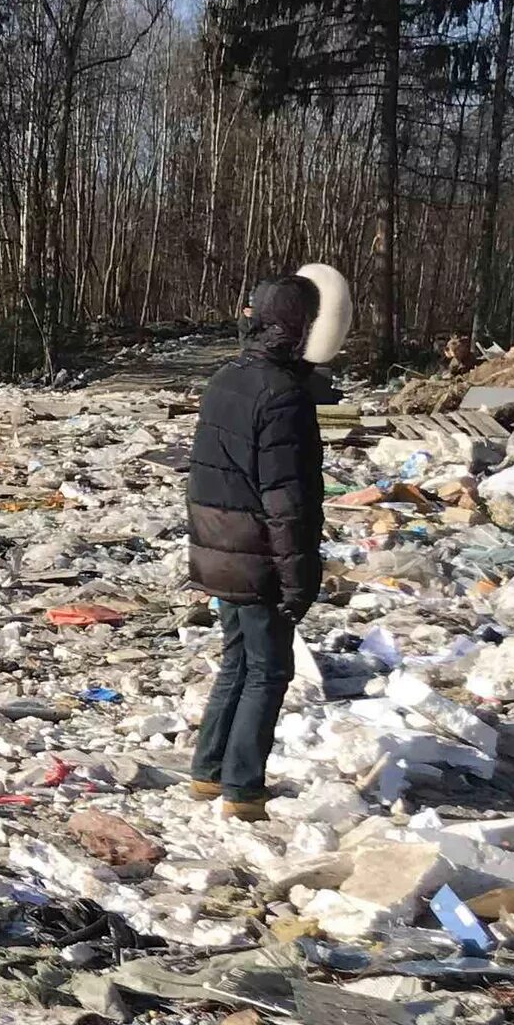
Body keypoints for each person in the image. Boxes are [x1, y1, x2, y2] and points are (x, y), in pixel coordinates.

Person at [186, 274, 333, 819]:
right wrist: (298, 579)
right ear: (303, 328)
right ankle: (243, 790)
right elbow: (286, 500)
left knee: (237, 662)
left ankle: (208, 771)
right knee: (268, 670)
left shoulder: (228, 377)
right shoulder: (283, 396)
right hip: (259, 555)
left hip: (220, 548)